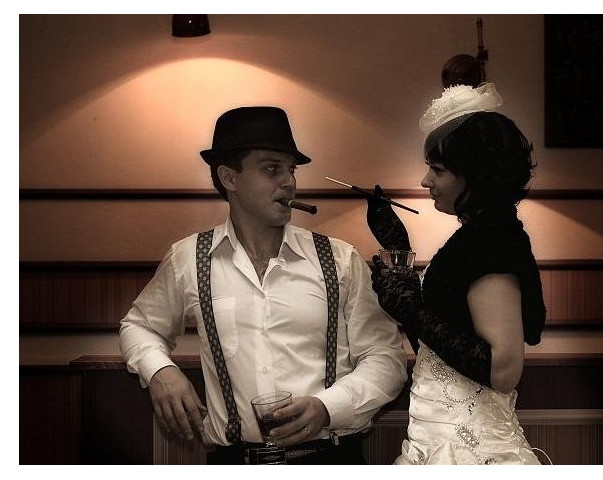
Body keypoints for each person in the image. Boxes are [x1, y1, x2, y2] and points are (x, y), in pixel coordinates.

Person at [119, 106, 407, 465]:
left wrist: (326, 408)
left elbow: (386, 358)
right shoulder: (188, 259)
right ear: (229, 178)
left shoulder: (340, 260)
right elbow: (139, 326)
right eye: (272, 169)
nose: (289, 182)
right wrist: (161, 371)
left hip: (331, 459)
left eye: (291, 169)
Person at [367, 83, 546, 465]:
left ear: (475, 176)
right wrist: (397, 247)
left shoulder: (492, 240)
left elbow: (503, 370)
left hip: (468, 448)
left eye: (438, 170)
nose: (425, 181)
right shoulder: (479, 235)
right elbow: (441, 343)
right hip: (437, 434)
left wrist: (410, 308)